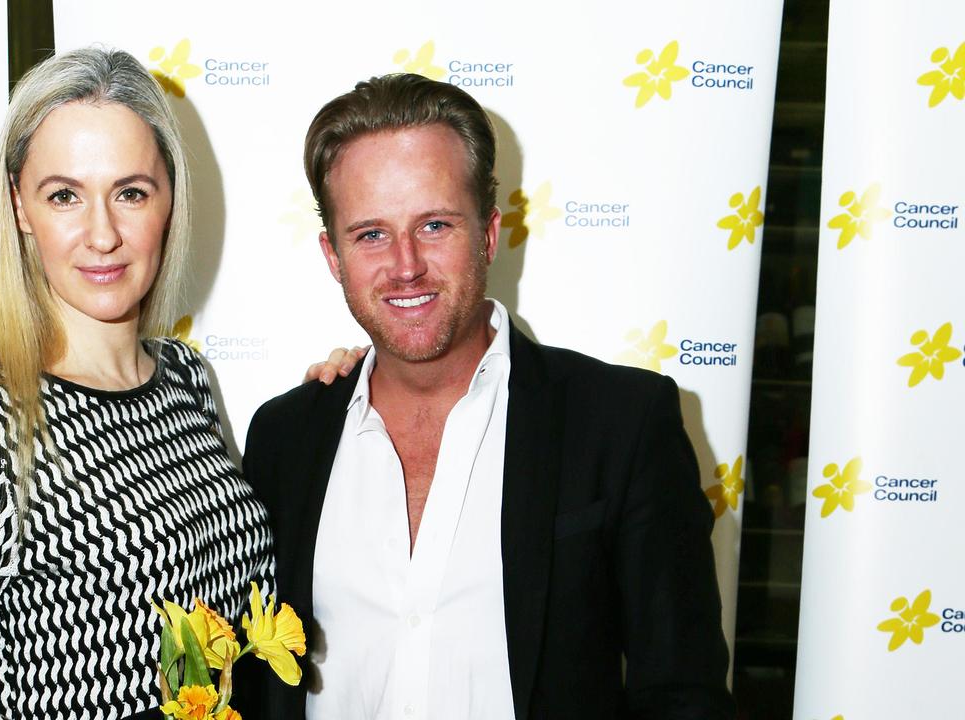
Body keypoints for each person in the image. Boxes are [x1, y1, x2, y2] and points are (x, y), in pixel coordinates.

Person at [0, 48, 357, 720]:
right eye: (64, 195)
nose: (103, 235)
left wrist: (331, 413)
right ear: (20, 208)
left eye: (130, 192)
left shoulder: (183, 377)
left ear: (168, 202)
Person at [242, 74, 734, 720]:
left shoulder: (621, 424)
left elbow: (682, 694)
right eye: (370, 235)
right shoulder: (286, 438)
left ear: (489, 232)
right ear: (333, 256)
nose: (406, 264)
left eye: (435, 224)